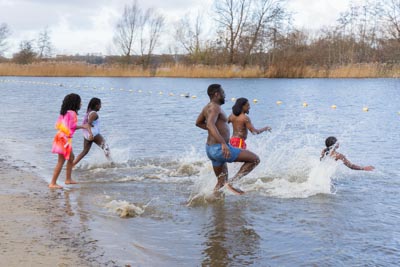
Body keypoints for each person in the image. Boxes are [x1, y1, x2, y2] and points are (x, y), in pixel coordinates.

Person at [195, 84, 260, 195]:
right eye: (223, 93)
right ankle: (233, 183)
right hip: (219, 148)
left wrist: (215, 132)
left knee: (221, 181)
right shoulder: (215, 107)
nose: (225, 95)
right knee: (254, 159)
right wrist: (223, 143)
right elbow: (210, 124)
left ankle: (214, 203)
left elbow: (198, 123)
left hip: (211, 149)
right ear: (217, 94)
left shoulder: (207, 107)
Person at [49, 93, 89, 189]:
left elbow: (58, 125)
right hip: (64, 139)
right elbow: (72, 126)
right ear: (75, 103)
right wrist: (83, 126)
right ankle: (53, 183)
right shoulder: (72, 113)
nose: (81, 104)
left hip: (60, 137)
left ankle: (68, 179)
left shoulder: (64, 112)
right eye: (80, 102)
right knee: (61, 161)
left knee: (71, 158)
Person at [73, 97, 110, 167]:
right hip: (94, 134)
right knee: (106, 147)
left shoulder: (88, 112)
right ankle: (111, 163)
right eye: (100, 104)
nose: (101, 106)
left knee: (85, 151)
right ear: (96, 105)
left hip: (86, 134)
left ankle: (72, 165)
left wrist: (89, 134)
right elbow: (88, 124)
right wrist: (90, 134)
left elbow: (87, 123)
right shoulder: (94, 114)